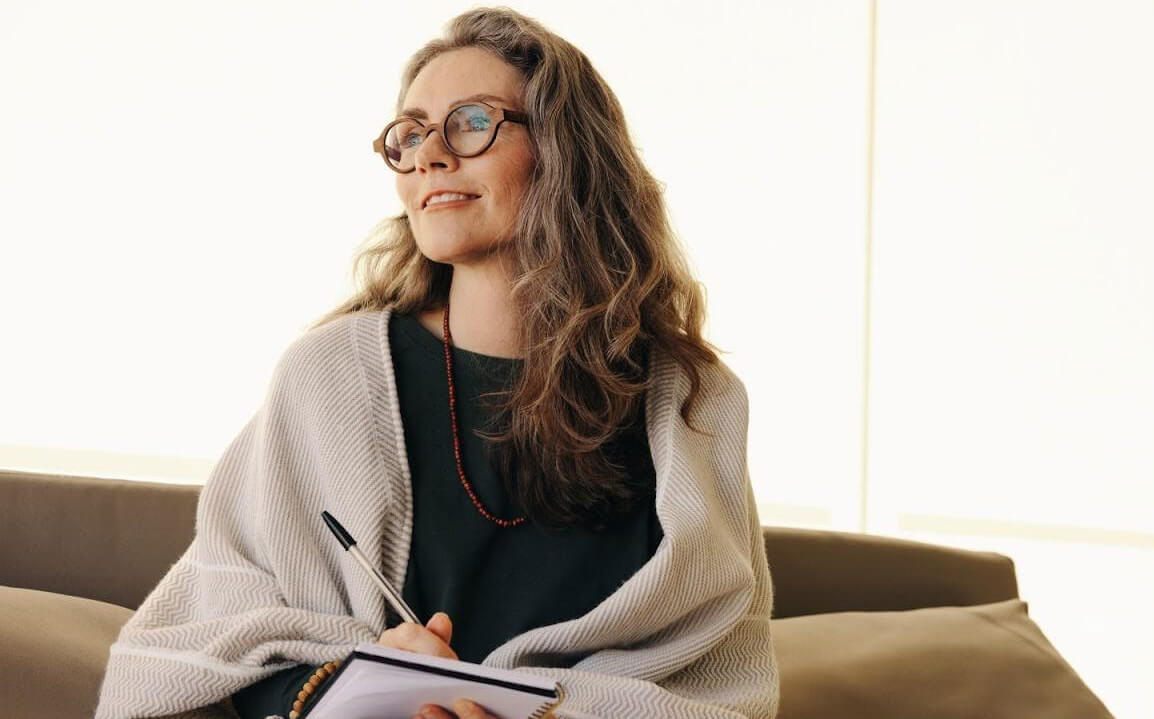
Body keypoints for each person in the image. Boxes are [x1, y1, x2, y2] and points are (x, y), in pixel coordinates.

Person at [92, 7, 779, 719]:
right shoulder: (327, 376)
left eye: (471, 123)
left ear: (564, 148)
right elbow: (229, 623)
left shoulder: (693, 402)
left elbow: (715, 671)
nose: (429, 156)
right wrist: (358, 678)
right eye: (411, 133)